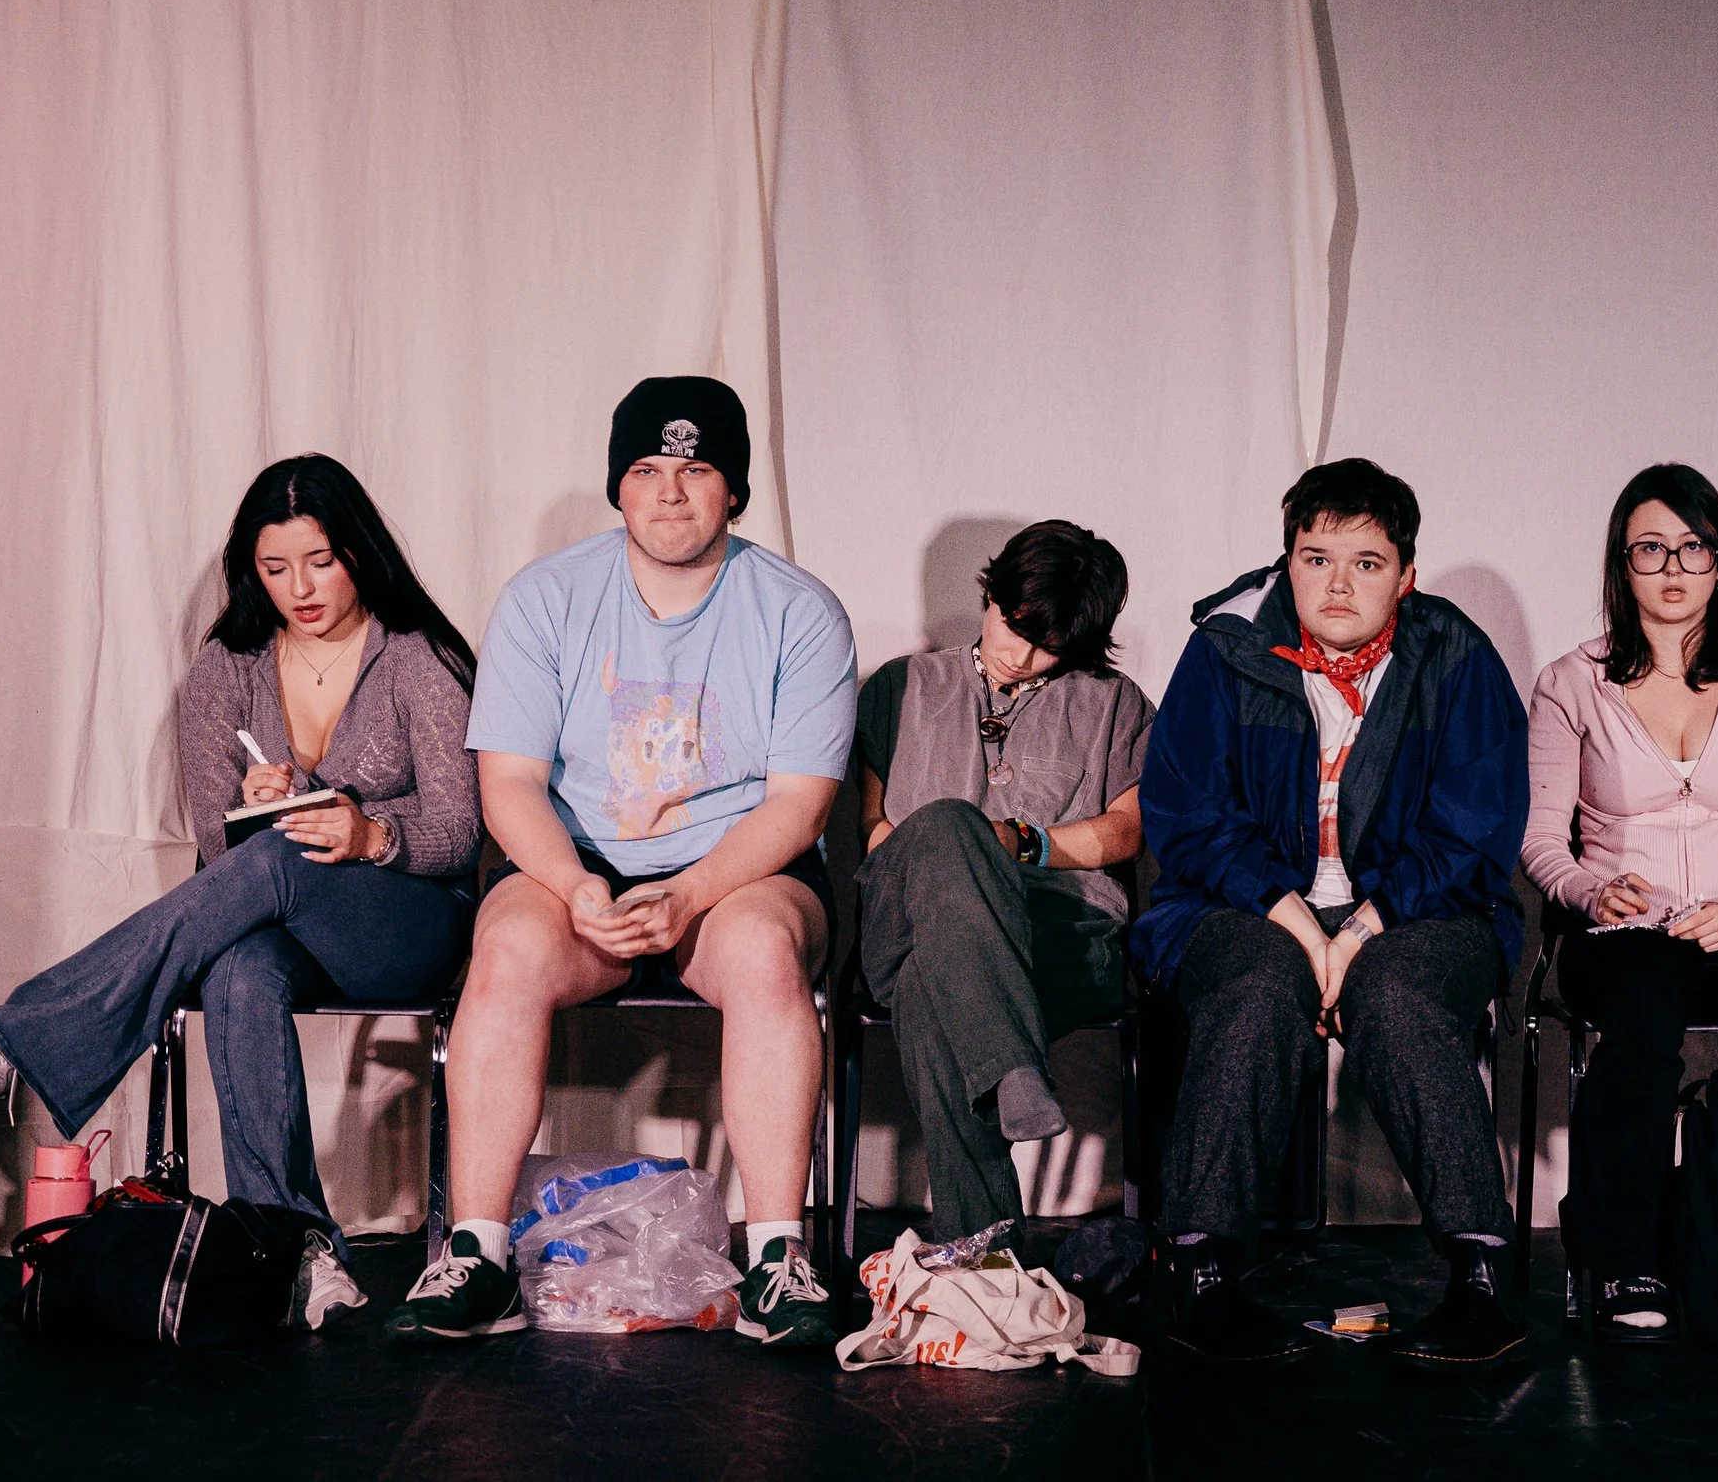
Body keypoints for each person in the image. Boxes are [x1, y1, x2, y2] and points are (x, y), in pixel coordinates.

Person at [0, 455, 481, 1329]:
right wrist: (257, 807)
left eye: (321, 561)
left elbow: (461, 829)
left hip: (406, 921)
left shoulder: (416, 656)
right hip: (284, 920)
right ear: (249, 570)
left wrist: (366, 830)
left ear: (359, 552)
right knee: (238, 968)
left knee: (278, 859)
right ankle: (298, 1248)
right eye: (276, 568)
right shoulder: (226, 668)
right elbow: (216, 847)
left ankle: (14, 1038)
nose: (300, 588)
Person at [384, 376, 857, 1348]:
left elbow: (799, 804)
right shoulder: (545, 597)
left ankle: (778, 1256)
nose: (669, 491)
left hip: (736, 873)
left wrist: (690, 891)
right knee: (507, 946)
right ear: (618, 485)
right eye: (646, 469)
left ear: (734, 488)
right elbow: (510, 783)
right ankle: (477, 1255)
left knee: (766, 950)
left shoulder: (799, 609)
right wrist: (573, 885)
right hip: (581, 866)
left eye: (695, 469)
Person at [1137, 457, 1530, 1373]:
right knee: (1257, 981)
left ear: (1406, 575)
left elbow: (1474, 830)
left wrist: (1357, 930)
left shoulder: (1456, 656)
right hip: (1242, 902)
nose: (1338, 584)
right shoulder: (1227, 645)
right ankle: (1198, 1272)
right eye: (1317, 559)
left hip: (1420, 909)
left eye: (1366, 562)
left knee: (1395, 992)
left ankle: (1483, 1276)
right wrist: (1295, 917)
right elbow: (1187, 815)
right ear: (1289, 562)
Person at [1523, 463, 1718, 1351]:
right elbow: (1541, 841)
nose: (1672, 567)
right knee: (1645, 1002)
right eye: (1650, 548)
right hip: (1622, 928)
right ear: (1621, 564)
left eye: (1692, 547)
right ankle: (1628, 1260)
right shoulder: (1571, 682)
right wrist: (1591, 889)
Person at [855, 520, 1153, 1243]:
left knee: (935, 984)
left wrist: (1025, 844)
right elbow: (876, 832)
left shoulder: (1115, 702)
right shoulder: (900, 685)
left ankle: (983, 1250)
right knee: (949, 827)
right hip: (908, 914)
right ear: (989, 594)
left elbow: (1126, 831)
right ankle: (1013, 1063)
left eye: (1047, 645)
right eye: (1013, 625)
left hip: (1060, 942)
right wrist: (968, 856)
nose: (1020, 654)